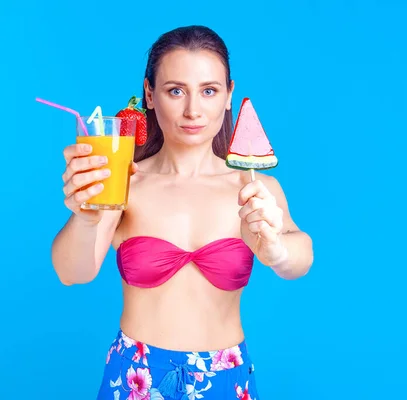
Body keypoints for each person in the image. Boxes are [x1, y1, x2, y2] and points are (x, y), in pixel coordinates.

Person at [51, 25, 314, 400]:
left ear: (228, 96)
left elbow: (300, 256)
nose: (193, 110)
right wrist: (86, 216)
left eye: (209, 91)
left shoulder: (252, 188)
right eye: (176, 91)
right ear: (150, 94)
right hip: (134, 376)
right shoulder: (126, 182)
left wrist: (278, 252)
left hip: (225, 377)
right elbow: (71, 273)